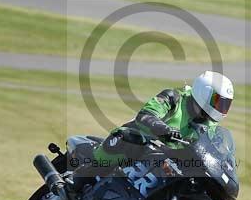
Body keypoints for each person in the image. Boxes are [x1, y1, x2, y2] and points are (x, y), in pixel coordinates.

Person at [71, 71, 234, 189]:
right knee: (126, 141)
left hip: (168, 161)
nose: (221, 107)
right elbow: (145, 115)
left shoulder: (210, 126)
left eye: (225, 104)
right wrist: (164, 129)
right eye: (218, 101)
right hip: (138, 143)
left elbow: (211, 147)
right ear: (203, 92)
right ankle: (76, 181)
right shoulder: (174, 98)